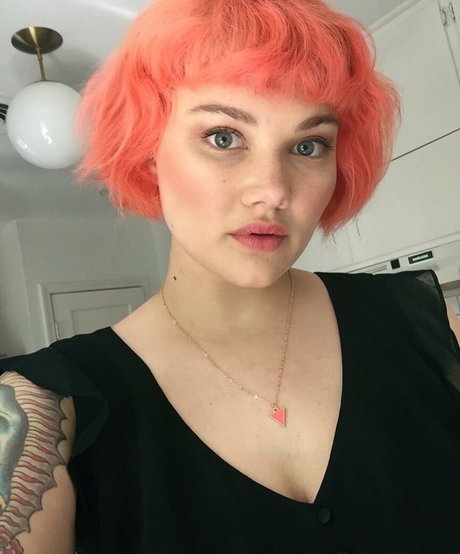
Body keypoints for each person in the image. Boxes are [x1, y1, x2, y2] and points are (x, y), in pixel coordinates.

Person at [1, 0, 460, 552]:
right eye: (223, 136)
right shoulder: (40, 410)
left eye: (308, 145)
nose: (273, 190)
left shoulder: (430, 331)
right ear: (149, 151)